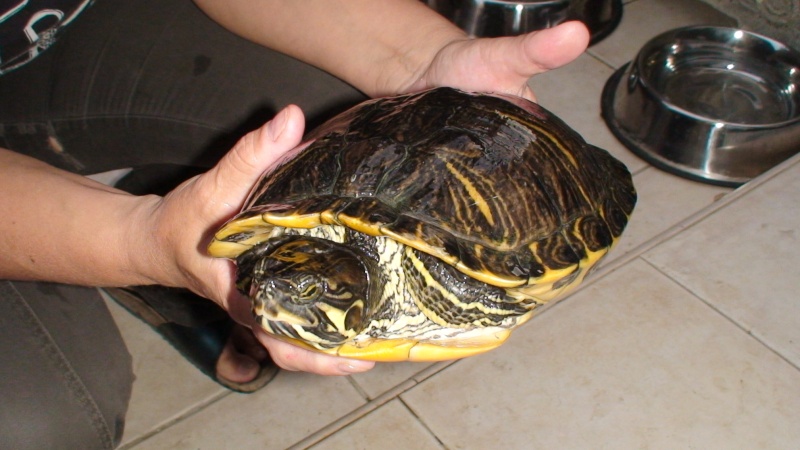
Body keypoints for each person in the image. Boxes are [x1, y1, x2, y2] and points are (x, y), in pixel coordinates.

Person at [0, 0, 589, 448]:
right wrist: (138, 240)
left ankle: (167, 238)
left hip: (78, 23)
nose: (269, 292)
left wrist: (423, 57)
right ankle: (156, 248)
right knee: (42, 421)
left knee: (366, 111)